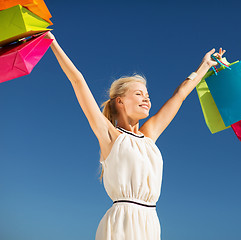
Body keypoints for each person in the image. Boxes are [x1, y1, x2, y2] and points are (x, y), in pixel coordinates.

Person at [45, 31, 226, 240]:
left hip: (151, 223)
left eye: (148, 95)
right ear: (119, 101)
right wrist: (52, 42)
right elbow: (78, 81)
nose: (146, 99)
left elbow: (180, 95)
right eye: (139, 94)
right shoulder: (110, 136)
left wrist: (204, 66)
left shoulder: (149, 136)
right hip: (122, 224)